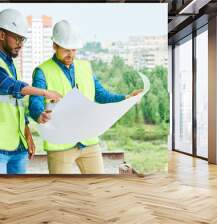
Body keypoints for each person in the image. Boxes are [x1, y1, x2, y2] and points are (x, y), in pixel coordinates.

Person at [29, 20, 142, 174]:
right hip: (61, 144)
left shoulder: (85, 67)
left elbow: (101, 95)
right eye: (66, 49)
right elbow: (35, 102)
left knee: (97, 187)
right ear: (55, 45)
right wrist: (38, 114)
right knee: (60, 191)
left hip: (88, 142)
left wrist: (127, 97)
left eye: (74, 49)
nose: (71, 54)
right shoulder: (43, 71)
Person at [0, 9, 61, 174]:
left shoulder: (11, 65)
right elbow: (7, 85)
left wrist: (27, 135)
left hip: (17, 146)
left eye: (23, 39)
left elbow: (17, 106)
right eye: (17, 38)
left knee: (18, 195)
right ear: (2, 35)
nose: (20, 44)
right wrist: (44, 92)